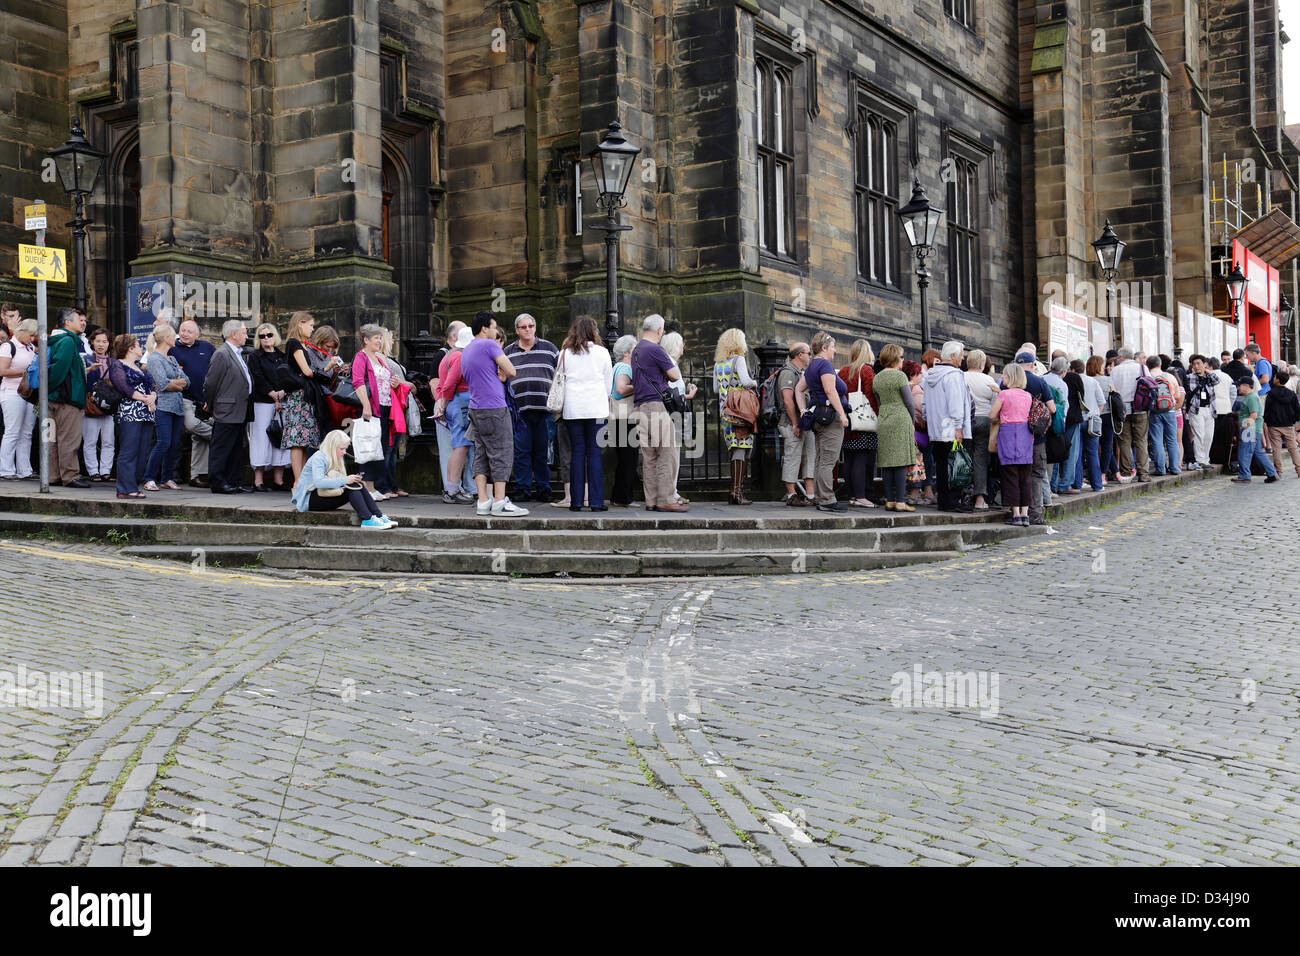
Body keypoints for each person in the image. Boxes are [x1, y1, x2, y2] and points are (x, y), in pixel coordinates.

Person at [462, 311, 529, 516]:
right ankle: (500, 501)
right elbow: (511, 370)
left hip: (476, 408)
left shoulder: (467, 350)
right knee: (502, 452)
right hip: (494, 407)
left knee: (481, 454)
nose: (495, 330)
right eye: (493, 326)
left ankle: (483, 501)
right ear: (484, 328)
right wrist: (502, 374)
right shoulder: (489, 345)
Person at [630, 314, 687, 512]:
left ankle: (651, 500)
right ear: (660, 330)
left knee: (649, 455)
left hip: (639, 407)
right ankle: (665, 498)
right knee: (667, 451)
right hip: (656, 406)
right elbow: (675, 375)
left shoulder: (636, 350)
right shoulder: (655, 349)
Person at [559, 316, 613, 511]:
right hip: (596, 408)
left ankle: (576, 501)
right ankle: (597, 502)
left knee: (577, 453)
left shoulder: (564, 353)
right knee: (594, 453)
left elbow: (560, 379)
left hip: (573, 409)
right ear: (594, 331)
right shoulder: (602, 352)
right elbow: (609, 384)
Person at [504, 313, 559, 503]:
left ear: (535, 327)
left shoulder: (550, 349)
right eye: (523, 327)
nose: (527, 329)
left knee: (542, 452)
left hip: (544, 410)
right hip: (519, 410)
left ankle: (544, 488)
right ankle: (523, 488)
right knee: (521, 452)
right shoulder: (508, 351)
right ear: (517, 330)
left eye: (530, 326)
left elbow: (560, 376)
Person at [291, 429, 394, 528]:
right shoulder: (319, 457)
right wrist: (345, 480)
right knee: (351, 487)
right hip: (310, 500)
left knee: (358, 484)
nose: (344, 452)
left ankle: (378, 516)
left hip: (324, 494)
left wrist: (350, 479)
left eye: (345, 449)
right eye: (342, 449)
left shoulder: (336, 456)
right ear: (332, 446)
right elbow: (319, 482)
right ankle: (368, 519)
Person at [794, 331, 849, 513]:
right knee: (827, 460)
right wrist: (842, 414)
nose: (835, 350)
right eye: (833, 347)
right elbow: (830, 390)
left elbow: (799, 389)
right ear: (824, 348)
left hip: (818, 416)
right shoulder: (824, 364)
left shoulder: (811, 366)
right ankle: (826, 499)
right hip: (830, 417)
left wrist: (803, 411)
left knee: (820, 459)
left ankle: (820, 496)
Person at [1006, 351, 1056, 524]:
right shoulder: (1039, 382)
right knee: (1035, 475)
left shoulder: (1007, 383)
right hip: (1036, 437)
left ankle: (1014, 512)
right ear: (1032, 364)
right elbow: (1053, 408)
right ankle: (1034, 513)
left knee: (1013, 474)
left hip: (1012, 438)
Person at [923, 340, 973, 512]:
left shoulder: (930, 375)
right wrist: (959, 427)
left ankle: (944, 500)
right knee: (956, 464)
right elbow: (956, 403)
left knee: (943, 465)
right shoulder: (954, 375)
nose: (962, 358)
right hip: (952, 429)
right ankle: (953, 501)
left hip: (937, 429)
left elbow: (924, 404)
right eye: (961, 355)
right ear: (953, 356)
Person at [205, 319, 253, 494]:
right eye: (244, 332)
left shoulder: (238, 353)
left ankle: (234, 481)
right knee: (222, 446)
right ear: (234, 334)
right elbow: (211, 384)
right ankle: (217, 482)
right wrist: (211, 405)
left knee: (236, 448)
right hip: (226, 409)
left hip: (240, 409)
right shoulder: (222, 354)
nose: (246, 336)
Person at [106, 334, 157, 498]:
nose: (141, 347)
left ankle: (133, 485)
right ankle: (125, 488)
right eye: (138, 345)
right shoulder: (117, 365)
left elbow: (152, 387)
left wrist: (153, 397)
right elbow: (123, 387)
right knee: (129, 450)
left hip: (146, 413)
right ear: (130, 348)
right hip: (130, 413)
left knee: (143, 452)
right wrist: (145, 398)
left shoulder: (139, 367)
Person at [352, 324, 398, 499]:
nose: (379, 341)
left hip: (385, 407)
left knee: (379, 448)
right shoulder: (361, 357)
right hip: (371, 407)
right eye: (376, 338)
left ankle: (373, 487)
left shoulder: (379, 358)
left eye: (380, 338)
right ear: (366, 340)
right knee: (367, 447)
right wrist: (366, 405)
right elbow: (358, 382)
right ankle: (365, 486)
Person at [142, 323, 190, 491]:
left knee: (174, 444)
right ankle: (149, 478)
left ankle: (167, 477)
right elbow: (162, 384)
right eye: (173, 335)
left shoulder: (173, 358)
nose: (176, 338)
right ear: (167, 338)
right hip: (163, 406)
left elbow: (187, 381)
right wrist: (176, 383)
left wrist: (174, 383)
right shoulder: (154, 358)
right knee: (163, 442)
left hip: (177, 407)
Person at [872, 343, 918, 512]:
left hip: (884, 418)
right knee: (900, 462)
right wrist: (912, 421)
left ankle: (890, 500)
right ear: (895, 358)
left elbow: (878, 402)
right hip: (900, 418)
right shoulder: (900, 377)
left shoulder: (877, 377)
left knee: (887, 462)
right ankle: (900, 500)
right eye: (901, 356)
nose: (902, 360)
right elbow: (909, 402)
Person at [434, 325, 478, 504]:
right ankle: (452, 490)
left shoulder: (448, 356)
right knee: (461, 446)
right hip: (460, 403)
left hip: (453, 403)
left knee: (460, 445)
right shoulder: (460, 356)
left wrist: (441, 402)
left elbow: (441, 384)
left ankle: (451, 488)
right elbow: (450, 383)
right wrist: (443, 403)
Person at [713, 328, 757, 505]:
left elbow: (716, 389)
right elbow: (746, 382)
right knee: (742, 449)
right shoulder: (738, 360)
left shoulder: (718, 364)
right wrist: (754, 382)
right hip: (741, 411)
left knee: (735, 448)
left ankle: (735, 491)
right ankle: (736, 493)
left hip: (726, 413)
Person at [47, 307, 90, 488]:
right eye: (77, 319)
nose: (81, 322)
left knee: (51, 439)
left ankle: (53, 475)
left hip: (51, 398)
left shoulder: (53, 340)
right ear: (67, 323)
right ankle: (70, 476)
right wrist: (52, 388)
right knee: (69, 439)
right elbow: (60, 369)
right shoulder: (68, 341)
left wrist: (46, 392)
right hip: (66, 398)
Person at [246, 321, 291, 491]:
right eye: (262, 336)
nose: (266, 338)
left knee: (280, 438)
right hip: (262, 402)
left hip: (283, 401)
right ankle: (258, 480)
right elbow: (256, 378)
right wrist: (272, 393)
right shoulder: (255, 357)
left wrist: (282, 392)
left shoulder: (283, 355)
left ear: (275, 336)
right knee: (261, 439)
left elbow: (288, 375)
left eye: (269, 335)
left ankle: (278, 480)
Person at [172, 319, 216, 487]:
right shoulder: (172, 349)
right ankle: (219, 437)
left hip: (204, 400)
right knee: (192, 425)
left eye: (189, 331)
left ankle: (196, 475)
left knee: (199, 438)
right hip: (184, 398)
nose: (185, 334)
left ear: (197, 334)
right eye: (182, 330)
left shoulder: (207, 347)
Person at [282, 312, 326, 480]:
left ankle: (303, 480)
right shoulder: (294, 343)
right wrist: (321, 373)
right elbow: (307, 371)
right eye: (310, 325)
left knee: (304, 439)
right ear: (300, 324)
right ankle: (298, 482)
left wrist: (325, 369)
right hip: (299, 396)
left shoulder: (303, 344)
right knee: (297, 440)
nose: (312, 329)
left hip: (304, 396)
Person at [989, 362, 1034, 526]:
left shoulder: (1004, 395)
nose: (1002, 378)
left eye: (1005, 375)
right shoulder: (1027, 396)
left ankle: (1015, 514)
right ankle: (1025, 513)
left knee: (1011, 475)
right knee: (1025, 476)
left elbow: (992, 415)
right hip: (1025, 436)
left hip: (1008, 434)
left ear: (1011, 377)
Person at [839, 339, 879, 508]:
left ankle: (853, 495)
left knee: (849, 458)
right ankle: (862, 496)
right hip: (863, 420)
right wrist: (878, 414)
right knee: (862, 459)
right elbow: (871, 396)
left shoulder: (842, 371)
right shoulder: (866, 371)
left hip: (847, 419)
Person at [661, 331, 697, 507]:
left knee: (672, 455)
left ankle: (672, 491)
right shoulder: (670, 364)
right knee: (672, 456)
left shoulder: (671, 363)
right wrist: (688, 395)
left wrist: (688, 395)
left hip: (673, 414)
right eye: (682, 343)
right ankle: (670, 493)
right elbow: (672, 395)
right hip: (673, 416)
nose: (684, 347)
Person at [777, 341, 816, 506]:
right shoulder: (788, 373)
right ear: (800, 355)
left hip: (805, 422)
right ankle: (791, 494)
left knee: (810, 455)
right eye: (808, 353)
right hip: (791, 422)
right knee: (793, 456)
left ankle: (811, 494)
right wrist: (795, 424)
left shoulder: (801, 372)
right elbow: (787, 400)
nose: (810, 356)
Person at [0, 318, 37, 480]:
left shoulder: (30, 347)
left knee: (27, 432)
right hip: (12, 391)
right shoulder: (9, 346)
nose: (33, 338)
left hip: (29, 393)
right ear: (21, 332)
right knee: (13, 431)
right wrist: (25, 372)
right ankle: (6, 469)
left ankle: (25, 470)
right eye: (31, 335)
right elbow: (2, 370)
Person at [964, 349, 999, 509]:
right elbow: (995, 406)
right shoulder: (989, 380)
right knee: (980, 460)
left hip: (965, 420)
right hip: (984, 420)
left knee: (963, 457)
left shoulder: (961, 377)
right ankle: (979, 498)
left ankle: (962, 494)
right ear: (982, 364)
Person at [1110, 346, 1149, 483]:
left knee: (1124, 442)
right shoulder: (1142, 368)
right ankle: (1143, 473)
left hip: (1122, 410)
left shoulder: (1115, 370)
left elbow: (1112, 389)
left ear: (1121, 357)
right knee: (1141, 441)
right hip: (1141, 408)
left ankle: (1126, 472)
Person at [608, 333, 639, 508]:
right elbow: (620, 389)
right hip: (624, 418)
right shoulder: (626, 368)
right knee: (629, 459)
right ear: (627, 352)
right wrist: (641, 385)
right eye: (634, 348)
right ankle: (622, 498)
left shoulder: (617, 366)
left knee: (623, 459)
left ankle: (618, 496)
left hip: (617, 418)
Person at [81, 328, 115, 482]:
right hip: (91, 404)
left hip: (109, 407)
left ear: (109, 344)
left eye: (105, 341)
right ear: (92, 342)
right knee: (90, 440)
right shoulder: (86, 359)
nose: (101, 344)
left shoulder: (114, 362)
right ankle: (93, 471)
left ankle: (106, 471)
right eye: (98, 341)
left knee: (109, 440)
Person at [1231, 376, 1278, 484]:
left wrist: (1244, 427)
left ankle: (1244, 475)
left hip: (1249, 430)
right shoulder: (1252, 396)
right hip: (1254, 429)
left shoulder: (1251, 397)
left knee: (1244, 452)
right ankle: (1272, 473)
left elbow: (1253, 414)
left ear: (1246, 386)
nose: (1238, 388)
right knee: (1258, 453)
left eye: (1240, 385)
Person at [1073, 358, 1105, 492]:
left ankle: (1077, 484)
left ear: (1072, 369)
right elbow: (1101, 402)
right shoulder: (1093, 381)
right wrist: (1095, 414)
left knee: (1077, 454)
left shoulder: (1071, 381)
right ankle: (1097, 485)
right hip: (1092, 420)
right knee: (1092, 453)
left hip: (1077, 421)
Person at [1145, 355, 1180, 476]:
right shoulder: (1170, 377)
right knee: (1172, 440)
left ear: (1147, 366)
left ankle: (1161, 469)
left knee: (1157, 440)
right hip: (1170, 411)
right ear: (1160, 364)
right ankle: (1175, 467)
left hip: (1155, 412)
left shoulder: (1148, 377)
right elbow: (1177, 396)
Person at [904, 360, 933, 506]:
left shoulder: (907, 388)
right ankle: (920, 491)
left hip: (913, 431)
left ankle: (921, 491)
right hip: (921, 432)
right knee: (922, 460)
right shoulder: (916, 390)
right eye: (919, 373)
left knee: (918, 461)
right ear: (912, 375)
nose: (922, 375)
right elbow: (921, 412)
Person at [1262, 368, 1300, 478]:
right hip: (1288, 425)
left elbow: (1267, 410)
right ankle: (1299, 469)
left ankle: (1278, 471)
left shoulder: (1271, 394)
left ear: (1278, 380)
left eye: (1275, 377)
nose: (1273, 378)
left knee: (1276, 449)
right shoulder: (1291, 394)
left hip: (1274, 425)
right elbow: (1297, 410)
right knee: (1293, 448)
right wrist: (1294, 421)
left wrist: (1267, 421)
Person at [1183, 354, 1219, 471]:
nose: (1196, 366)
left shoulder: (1209, 377)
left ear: (1205, 364)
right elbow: (1186, 395)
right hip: (1196, 409)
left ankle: (1206, 459)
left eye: (1199, 363)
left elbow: (1217, 380)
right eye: (1194, 364)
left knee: (1209, 435)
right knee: (1199, 434)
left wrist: (1207, 372)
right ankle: (1200, 459)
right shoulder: (1189, 377)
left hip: (1210, 409)